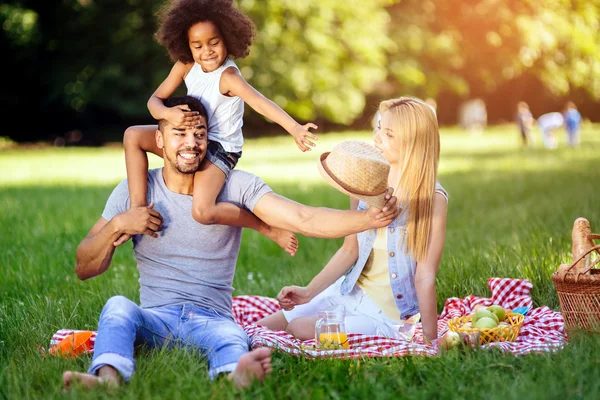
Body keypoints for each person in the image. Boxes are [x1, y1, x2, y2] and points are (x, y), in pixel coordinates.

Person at [62, 96, 400, 391]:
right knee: (118, 306)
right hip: (156, 320)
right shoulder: (135, 191)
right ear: (159, 140)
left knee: (232, 337)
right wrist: (120, 224)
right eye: (180, 133)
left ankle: (235, 376)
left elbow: (302, 217)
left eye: (199, 134)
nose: (191, 142)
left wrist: (367, 220)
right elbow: (84, 266)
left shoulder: (234, 184)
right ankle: (107, 380)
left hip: (214, 319)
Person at [120, 0, 319, 256]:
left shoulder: (229, 77)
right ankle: (138, 210)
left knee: (203, 211)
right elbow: (154, 101)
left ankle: (266, 228)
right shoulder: (185, 66)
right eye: (197, 45)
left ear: (228, 37)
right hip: (191, 138)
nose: (207, 51)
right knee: (133, 136)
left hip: (219, 149)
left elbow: (260, 103)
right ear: (186, 45)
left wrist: (294, 128)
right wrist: (168, 113)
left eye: (214, 42)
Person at [257, 97, 448, 344]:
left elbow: (425, 276)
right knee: (264, 327)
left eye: (389, 134)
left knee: (298, 328)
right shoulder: (366, 181)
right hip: (348, 293)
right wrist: (309, 292)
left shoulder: (431, 198)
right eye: (379, 129)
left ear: (413, 142)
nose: (377, 138)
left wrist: (431, 341)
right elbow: (350, 250)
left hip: (386, 317)